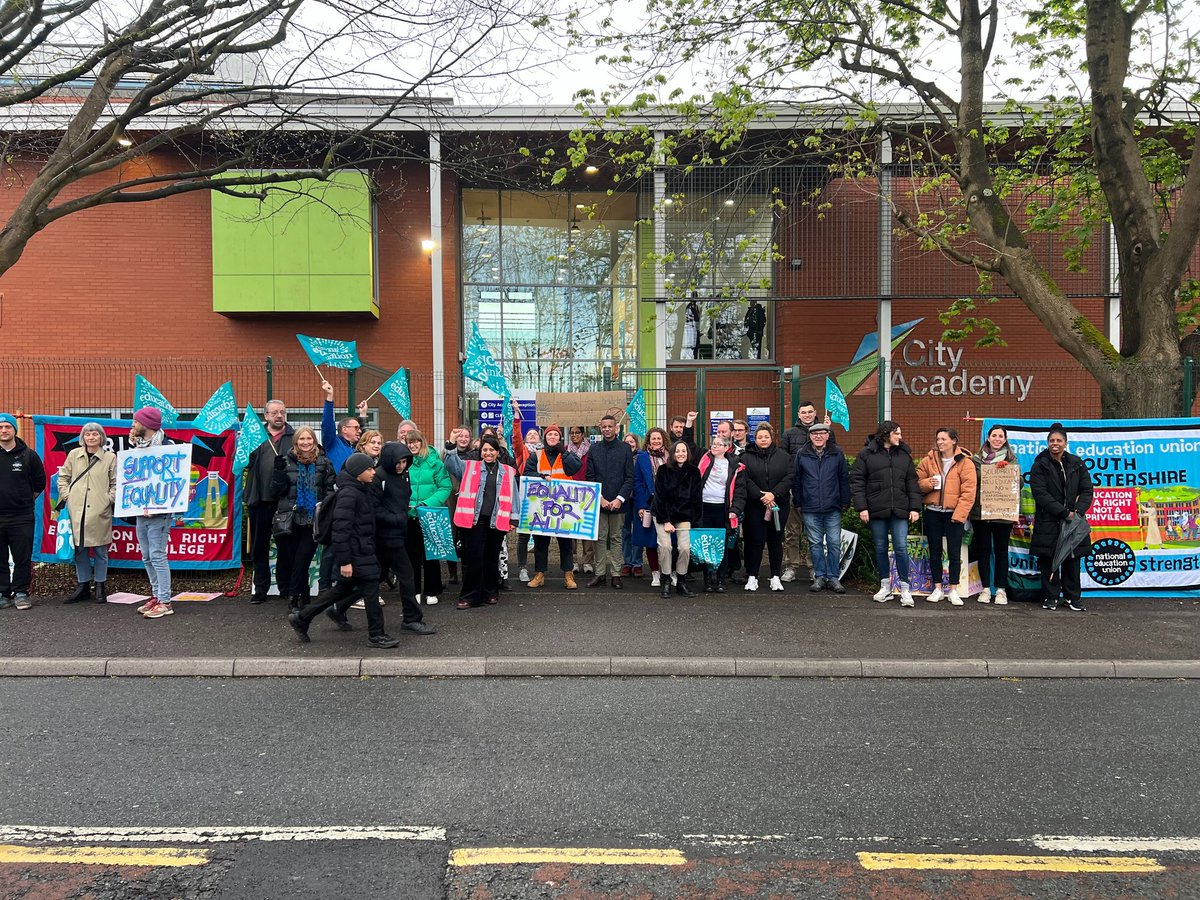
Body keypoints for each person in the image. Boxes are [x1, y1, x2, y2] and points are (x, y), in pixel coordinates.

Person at [288, 453, 400, 649]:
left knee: (342, 589)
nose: (373, 472)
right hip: (357, 553)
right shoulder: (349, 494)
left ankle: (302, 617)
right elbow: (341, 530)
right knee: (371, 592)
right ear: (358, 473)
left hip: (361, 551)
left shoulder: (358, 490)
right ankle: (376, 634)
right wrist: (345, 561)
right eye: (369, 469)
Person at [850, 420, 922, 607]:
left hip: (899, 510)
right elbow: (858, 482)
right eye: (897, 433)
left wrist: (914, 508)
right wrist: (862, 507)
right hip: (876, 509)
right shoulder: (866, 454)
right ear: (886, 434)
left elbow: (912, 483)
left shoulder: (904, 455)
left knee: (901, 547)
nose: (900, 436)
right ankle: (885, 587)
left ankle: (905, 589)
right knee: (880, 548)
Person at [270, 426, 336, 611]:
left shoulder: (324, 463)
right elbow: (276, 492)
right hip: (289, 519)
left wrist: (323, 512)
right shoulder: (285, 461)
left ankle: (293, 597)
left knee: (302, 560)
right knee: (291, 561)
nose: (305, 442)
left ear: (314, 441)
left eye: (309, 439)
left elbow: (329, 492)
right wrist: (277, 472)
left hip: (311, 520)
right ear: (295, 442)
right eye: (302, 439)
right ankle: (304, 593)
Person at [374, 440, 436, 634]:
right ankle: (411, 619)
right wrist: (396, 517)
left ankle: (336, 607)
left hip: (396, 534)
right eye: (398, 462)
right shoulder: (379, 477)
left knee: (377, 578)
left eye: (404, 461)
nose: (401, 466)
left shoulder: (404, 475)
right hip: (384, 536)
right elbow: (373, 508)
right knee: (405, 576)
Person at [1030, 422, 1094, 612]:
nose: (1055, 443)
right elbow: (1040, 494)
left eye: (1059, 440)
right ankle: (1051, 597)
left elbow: (1087, 490)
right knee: (1048, 561)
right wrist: (1064, 512)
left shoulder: (1077, 463)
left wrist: (1078, 512)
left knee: (1072, 560)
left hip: (1074, 521)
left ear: (1065, 442)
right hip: (1049, 521)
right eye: (1052, 440)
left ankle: (1073, 598)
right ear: (1047, 442)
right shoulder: (1039, 464)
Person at [454, 436, 518, 608]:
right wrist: (451, 445)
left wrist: (514, 519)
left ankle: (491, 592)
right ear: (480, 452)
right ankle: (469, 596)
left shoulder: (507, 471)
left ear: (498, 452)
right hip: (476, 520)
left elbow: (515, 495)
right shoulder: (470, 466)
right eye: (485, 450)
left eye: (492, 450)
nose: (488, 453)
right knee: (474, 557)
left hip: (497, 520)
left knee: (491, 558)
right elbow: (450, 463)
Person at [916, 427, 978, 606]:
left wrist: (959, 515)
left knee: (954, 553)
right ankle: (937, 588)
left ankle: (953, 589)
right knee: (934, 552)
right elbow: (916, 483)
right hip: (933, 512)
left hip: (954, 514)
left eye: (943, 439)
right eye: (938, 439)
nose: (940, 442)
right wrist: (928, 483)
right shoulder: (928, 460)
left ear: (954, 441)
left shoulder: (965, 463)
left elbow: (968, 492)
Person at [57, 422, 116, 605]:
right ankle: (82, 586)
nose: (91, 437)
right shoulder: (74, 455)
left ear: (101, 437)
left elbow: (115, 483)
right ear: (83, 437)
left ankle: (100, 586)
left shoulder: (110, 458)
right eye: (87, 434)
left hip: (99, 511)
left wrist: (107, 500)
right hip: (77, 511)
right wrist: (68, 496)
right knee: (80, 550)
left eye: (95, 434)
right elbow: (63, 478)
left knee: (100, 550)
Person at [128, 407, 176, 619]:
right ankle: (156, 595)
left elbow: (172, 480)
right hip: (141, 510)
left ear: (146, 424)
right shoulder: (138, 446)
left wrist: (158, 505)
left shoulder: (167, 446)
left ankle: (165, 600)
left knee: (157, 555)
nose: (132, 426)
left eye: (135, 422)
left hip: (160, 513)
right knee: (147, 556)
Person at [781, 400, 836, 584]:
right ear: (798, 414)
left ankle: (814, 567)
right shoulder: (789, 434)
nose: (807, 415)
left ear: (815, 413)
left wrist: (830, 430)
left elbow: (833, 453)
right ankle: (791, 566)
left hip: (818, 492)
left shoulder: (826, 432)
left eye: (810, 412)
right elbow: (783, 459)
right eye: (803, 412)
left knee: (815, 533)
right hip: (795, 489)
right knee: (792, 531)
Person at [522, 423, 582, 590]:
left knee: (566, 543)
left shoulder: (566, 454)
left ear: (560, 438)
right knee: (541, 543)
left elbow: (575, 468)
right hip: (542, 507)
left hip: (564, 507)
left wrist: (564, 453)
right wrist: (541, 476)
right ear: (545, 438)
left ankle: (568, 575)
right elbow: (526, 474)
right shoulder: (536, 455)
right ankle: (539, 574)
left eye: (556, 435)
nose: (553, 437)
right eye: (550, 435)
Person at [245, 399, 293, 604]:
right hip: (259, 499)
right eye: (274, 413)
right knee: (259, 547)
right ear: (266, 416)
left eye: (282, 412)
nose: (279, 416)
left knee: (285, 546)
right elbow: (244, 463)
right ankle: (261, 588)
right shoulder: (255, 437)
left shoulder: (294, 437)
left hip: (284, 501)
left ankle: (286, 587)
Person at [792, 422, 850, 593]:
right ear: (810, 436)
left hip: (833, 507)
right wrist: (798, 502)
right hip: (809, 507)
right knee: (815, 544)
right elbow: (796, 480)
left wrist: (845, 501)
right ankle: (820, 576)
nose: (818, 436)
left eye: (822, 433)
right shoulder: (801, 454)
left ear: (827, 435)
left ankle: (833, 578)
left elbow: (844, 478)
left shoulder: (837, 453)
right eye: (814, 433)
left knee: (834, 543)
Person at [740, 422, 793, 591]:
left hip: (779, 505)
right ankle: (752, 577)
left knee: (775, 541)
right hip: (755, 506)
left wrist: (773, 494)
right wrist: (761, 496)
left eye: (766, 437)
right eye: (760, 437)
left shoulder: (784, 456)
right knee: (755, 541)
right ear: (754, 439)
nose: (763, 440)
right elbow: (745, 479)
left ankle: (775, 577)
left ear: (772, 438)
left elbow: (789, 477)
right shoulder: (745, 457)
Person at [0, 413, 45, 611]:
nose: (3, 431)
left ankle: (20, 593)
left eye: (7, 427)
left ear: (14, 430)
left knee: (22, 557)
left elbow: (39, 483)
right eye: (0, 427)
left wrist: (23, 500)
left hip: (21, 516)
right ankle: (3, 593)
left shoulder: (28, 455)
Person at [584, 414, 635, 589]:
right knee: (599, 538)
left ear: (616, 428)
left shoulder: (625, 449)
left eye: (610, 426)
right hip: (600, 502)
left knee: (616, 538)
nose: (607, 429)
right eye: (604, 426)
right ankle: (599, 574)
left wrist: (619, 499)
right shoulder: (594, 449)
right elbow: (590, 476)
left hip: (619, 504)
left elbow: (630, 477)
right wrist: (600, 498)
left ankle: (615, 574)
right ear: (600, 428)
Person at [971, 425, 1018, 606]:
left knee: (1001, 551)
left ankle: (1000, 589)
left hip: (1003, 513)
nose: (997, 439)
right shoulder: (976, 459)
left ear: (1005, 439)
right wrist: (989, 471)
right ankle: (985, 589)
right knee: (983, 550)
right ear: (988, 438)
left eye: (1001, 436)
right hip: (980, 512)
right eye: (994, 435)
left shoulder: (1012, 460)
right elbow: (971, 481)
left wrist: (1006, 472)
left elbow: (1018, 483)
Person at [405, 429, 451, 605]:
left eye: (415, 441)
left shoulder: (435, 462)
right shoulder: (404, 462)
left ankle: (432, 590)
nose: (412, 445)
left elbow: (445, 487)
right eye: (409, 442)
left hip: (429, 514)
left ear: (422, 441)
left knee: (430, 555)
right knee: (411, 556)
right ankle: (414, 590)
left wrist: (428, 503)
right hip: (409, 516)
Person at [652, 439, 703, 598]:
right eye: (678, 451)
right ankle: (666, 579)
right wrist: (666, 521)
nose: (681, 454)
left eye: (684, 451)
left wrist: (695, 521)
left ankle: (681, 581)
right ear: (673, 453)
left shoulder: (694, 472)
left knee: (684, 548)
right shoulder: (663, 470)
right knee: (666, 546)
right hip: (663, 513)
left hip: (684, 514)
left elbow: (696, 498)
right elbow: (659, 498)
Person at [697, 436, 747, 593]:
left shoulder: (735, 465)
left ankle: (719, 578)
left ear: (727, 447)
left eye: (719, 444)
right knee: (705, 545)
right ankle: (707, 579)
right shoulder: (704, 459)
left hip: (723, 509)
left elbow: (740, 491)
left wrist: (735, 510)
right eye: (713, 443)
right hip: (705, 507)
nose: (715, 446)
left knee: (721, 545)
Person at [631, 428, 668, 585]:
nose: (656, 441)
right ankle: (655, 573)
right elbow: (637, 483)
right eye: (653, 439)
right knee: (651, 540)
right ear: (648, 441)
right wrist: (640, 505)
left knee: (669, 541)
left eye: (659, 438)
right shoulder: (642, 458)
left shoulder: (670, 456)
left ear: (663, 439)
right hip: (649, 503)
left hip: (668, 505)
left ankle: (670, 572)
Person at [443, 424, 474, 586]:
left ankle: (466, 570)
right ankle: (452, 572)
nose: (463, 439)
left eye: (466, 436)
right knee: (451, 537)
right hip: (450, 500)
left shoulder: (474, 455)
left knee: (467, 537)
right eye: (460, 436)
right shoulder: (446, 454)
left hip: (468, 499)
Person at [319, 379, 366, 473]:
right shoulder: (333, 443)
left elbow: (366, 437)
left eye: (359, 428)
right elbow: (327, 425)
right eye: (356, 428)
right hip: (337, 486)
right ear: (344, 429)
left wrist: (363, 414)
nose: (360, 431)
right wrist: (330, 397)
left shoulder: (357, 448)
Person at [566, 425, 595, 576]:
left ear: (583, 434)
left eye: (577, 432)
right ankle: (573, 561)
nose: (574, 435)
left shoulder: (591, 450)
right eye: (572, 433)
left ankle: (588, 561)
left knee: (586, 529)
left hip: (587, 492)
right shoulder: (565, 450)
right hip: (569, 493)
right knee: (571, 531)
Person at [620, 432, 643, 576]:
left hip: (638, 498)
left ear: (636, 443)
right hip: (624, 499)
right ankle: (627, 562)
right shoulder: (621, 457)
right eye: (627, 442)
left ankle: (637, 563)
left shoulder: (641, 457)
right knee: (625, 531)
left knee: (638, 531)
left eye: (632, 442)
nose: (629, 444)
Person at [684, 293, 702, 359]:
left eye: (696, 297)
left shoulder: (696, 306)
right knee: (692, 344)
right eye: (695, 297)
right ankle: (692, 357)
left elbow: (698, 317)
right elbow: (688, 318)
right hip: (691, 328)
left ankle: (695, 357)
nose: (696, 299)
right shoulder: (689, 306)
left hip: (696, 328)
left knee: (697, 344)